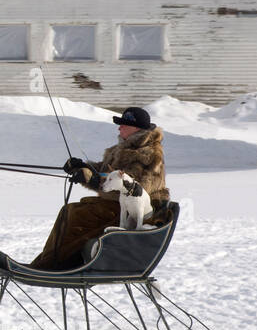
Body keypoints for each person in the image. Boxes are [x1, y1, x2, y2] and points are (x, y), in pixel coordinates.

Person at [30, 106, 170, 270]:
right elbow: (104, 170)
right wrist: (82, 167)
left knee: (76, 214)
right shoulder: (122, 149)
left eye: (124, 124)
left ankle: (55, 264)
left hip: (133, 211)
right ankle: (55, 261)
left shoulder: (150, 154)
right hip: (115, 205)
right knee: (70, 211)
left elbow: (135, 187)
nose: (119, 127)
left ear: (136, 128)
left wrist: (95, 179)